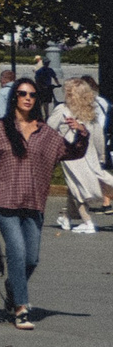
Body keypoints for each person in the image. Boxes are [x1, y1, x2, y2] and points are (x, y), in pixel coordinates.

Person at [0, 78, 70, 328]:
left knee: (31, 259)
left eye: (32, 94)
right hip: (4, 199)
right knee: (16, 253)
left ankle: (12, 286)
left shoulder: (46, 133)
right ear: (14, 98)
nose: (27, 98)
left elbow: (70, 152)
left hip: (33, 202)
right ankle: (21, 308)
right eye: (22, 93)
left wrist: (80, 134)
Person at [48, 75, 107, 234]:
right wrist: (101, 156)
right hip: (90, 154)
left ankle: (88, 222)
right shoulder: (90, 112)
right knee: (74, 186)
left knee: (77, 188)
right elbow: (98, 136)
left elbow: (48, 130)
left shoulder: (61, 110)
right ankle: (67, 218)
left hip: (71, 155)